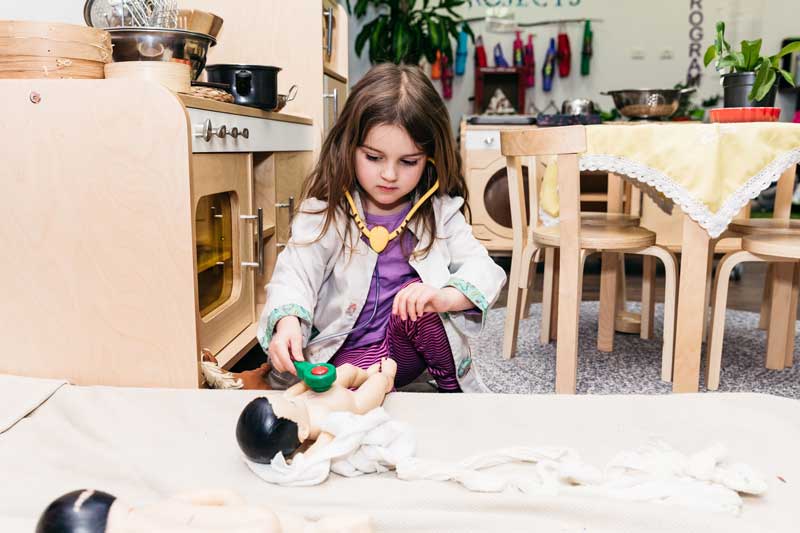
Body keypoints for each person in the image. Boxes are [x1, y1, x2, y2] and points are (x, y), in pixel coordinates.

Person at [257, 63, 506, 393]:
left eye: (408, 162)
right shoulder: (324, 213)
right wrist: (287, 322)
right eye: (373, 157)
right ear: (350, 148)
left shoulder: (441, 213)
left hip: (401, 357)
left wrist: (443, 297)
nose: (389, 174)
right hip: (341, 357)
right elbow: (295, 274)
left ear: (430, 160)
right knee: (328, 391)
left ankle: (451, 391)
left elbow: (485, 270)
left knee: (418, 310)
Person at [236, 358, 397, 464]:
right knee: (378, 381)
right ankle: (387, 376)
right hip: (355, 403)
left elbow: (300, 387)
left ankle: (366, 374)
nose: (288, 397)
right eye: (292, 404)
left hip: (328, 386)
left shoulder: (288, 398)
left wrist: (308, 377)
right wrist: (303, 459)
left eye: (284, 399)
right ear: (303, 431)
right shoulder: (322, 424)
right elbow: (322, 447)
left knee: (348, 369)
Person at [36, 489, 372, 532]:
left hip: (286, 522)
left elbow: (209, 496)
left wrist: (237, 504)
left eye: (133, 514)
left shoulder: (163, 507)